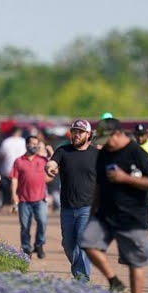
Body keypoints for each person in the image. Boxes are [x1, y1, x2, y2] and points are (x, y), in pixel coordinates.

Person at [80, 118, 148, 293]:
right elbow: (99, 184)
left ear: (117, 134)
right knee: (87, 242)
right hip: (106, 212)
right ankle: (114, 281)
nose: (105, 144)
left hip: (133, 215)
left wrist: (125, 178)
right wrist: (93, 210)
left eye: (107, 139)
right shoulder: (104, 153)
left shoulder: (137, 153)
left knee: (134, 261)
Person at [45, 119, 98, 281]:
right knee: (68, 245)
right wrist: (50, 168)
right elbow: (51, 163)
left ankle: (82, 277)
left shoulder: (97, 154)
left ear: (88, 135)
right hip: (67, 207)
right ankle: (79, 271)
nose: (76, 135)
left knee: (82, 241)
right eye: (74, 131)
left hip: (88, 207)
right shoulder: (63, 151)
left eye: (80, 132)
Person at [10, 135, 49, 259]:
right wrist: (13, 195)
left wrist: (49, 150)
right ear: (26, 145)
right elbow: (14, 179)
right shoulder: (19, 161)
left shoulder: (43, 160)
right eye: (32, 143)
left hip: (40, 198)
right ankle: (26, 249)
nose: (34, 146)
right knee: (25, 226)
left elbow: (55, 167)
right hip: (24, 199)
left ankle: (39, 244)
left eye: (36, 144)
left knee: (42, 222)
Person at [0, 126, 26, 208]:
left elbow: (1, 156)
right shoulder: (23, 141)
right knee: (19, 190)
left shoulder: (6, 142)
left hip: (7, 169)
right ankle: (17, 205)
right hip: (21, 170)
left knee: (7, 190)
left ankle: (7, 205)